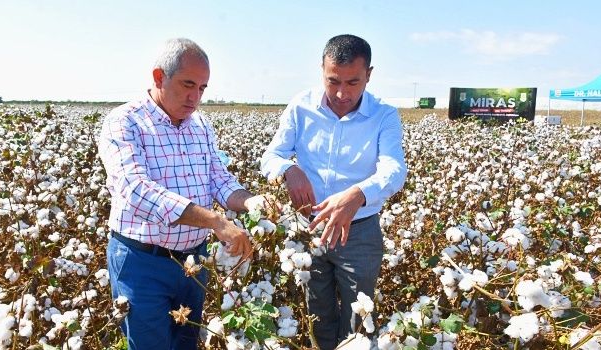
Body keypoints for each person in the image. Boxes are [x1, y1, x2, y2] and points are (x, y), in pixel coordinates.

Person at [98, 38, 261, 350]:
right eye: (188, 84)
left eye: (202, 88)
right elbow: (135, 190)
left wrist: (249, 200)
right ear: (159, 77)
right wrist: (215, 221)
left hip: (192, 263)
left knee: (186, 344)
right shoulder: (125, 121)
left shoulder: (200, 125)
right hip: (142, 263)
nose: (195, 96)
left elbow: (218, 178)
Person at [261, 34, 407, 349]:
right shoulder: (301, 106)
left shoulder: (384, 115)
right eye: (333, 81)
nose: (342, 93)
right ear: (322, 70)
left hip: (359, 232)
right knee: (317, 316)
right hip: (309, 228)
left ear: (369, 74)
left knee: (358, 320)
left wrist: (358, 194)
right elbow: (270, 157)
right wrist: (290, 169)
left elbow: (394, 171)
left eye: (353, 82)